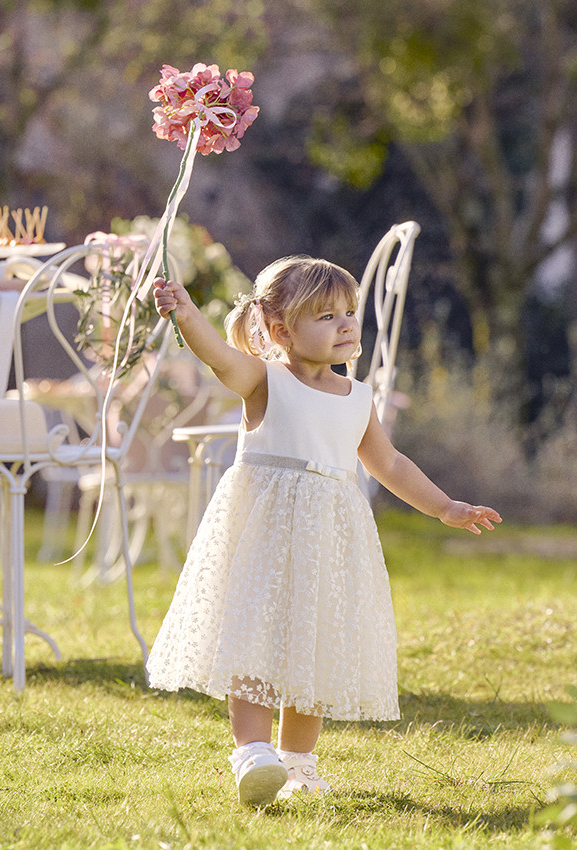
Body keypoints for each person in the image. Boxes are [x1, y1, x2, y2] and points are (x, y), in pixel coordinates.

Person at [146, 256, 501, 807]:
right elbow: (218, 358)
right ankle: (253, 755)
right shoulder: (266, 380)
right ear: (282, 330)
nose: (344, 325)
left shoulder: (358, 398)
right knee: (256, 643)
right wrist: (187, 312)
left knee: (313, 648)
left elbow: (391, 465)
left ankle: (298, 762)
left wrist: (444, 506)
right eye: (326, 316)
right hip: (266, 533)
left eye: (348, 313)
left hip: (328, 540)